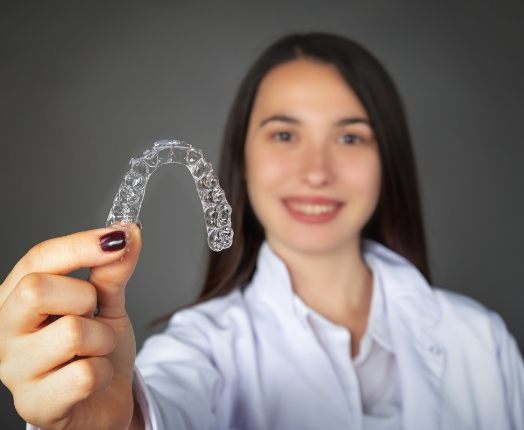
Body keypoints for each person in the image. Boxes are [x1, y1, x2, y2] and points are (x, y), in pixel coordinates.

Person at [0, 32, 522, 430]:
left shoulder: (482, 341)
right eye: (285, 134)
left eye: (350, 137)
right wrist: (119, 420)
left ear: (388, 160)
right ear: (243, 158)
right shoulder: (200, 350)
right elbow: (163, 405)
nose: (316, 170)